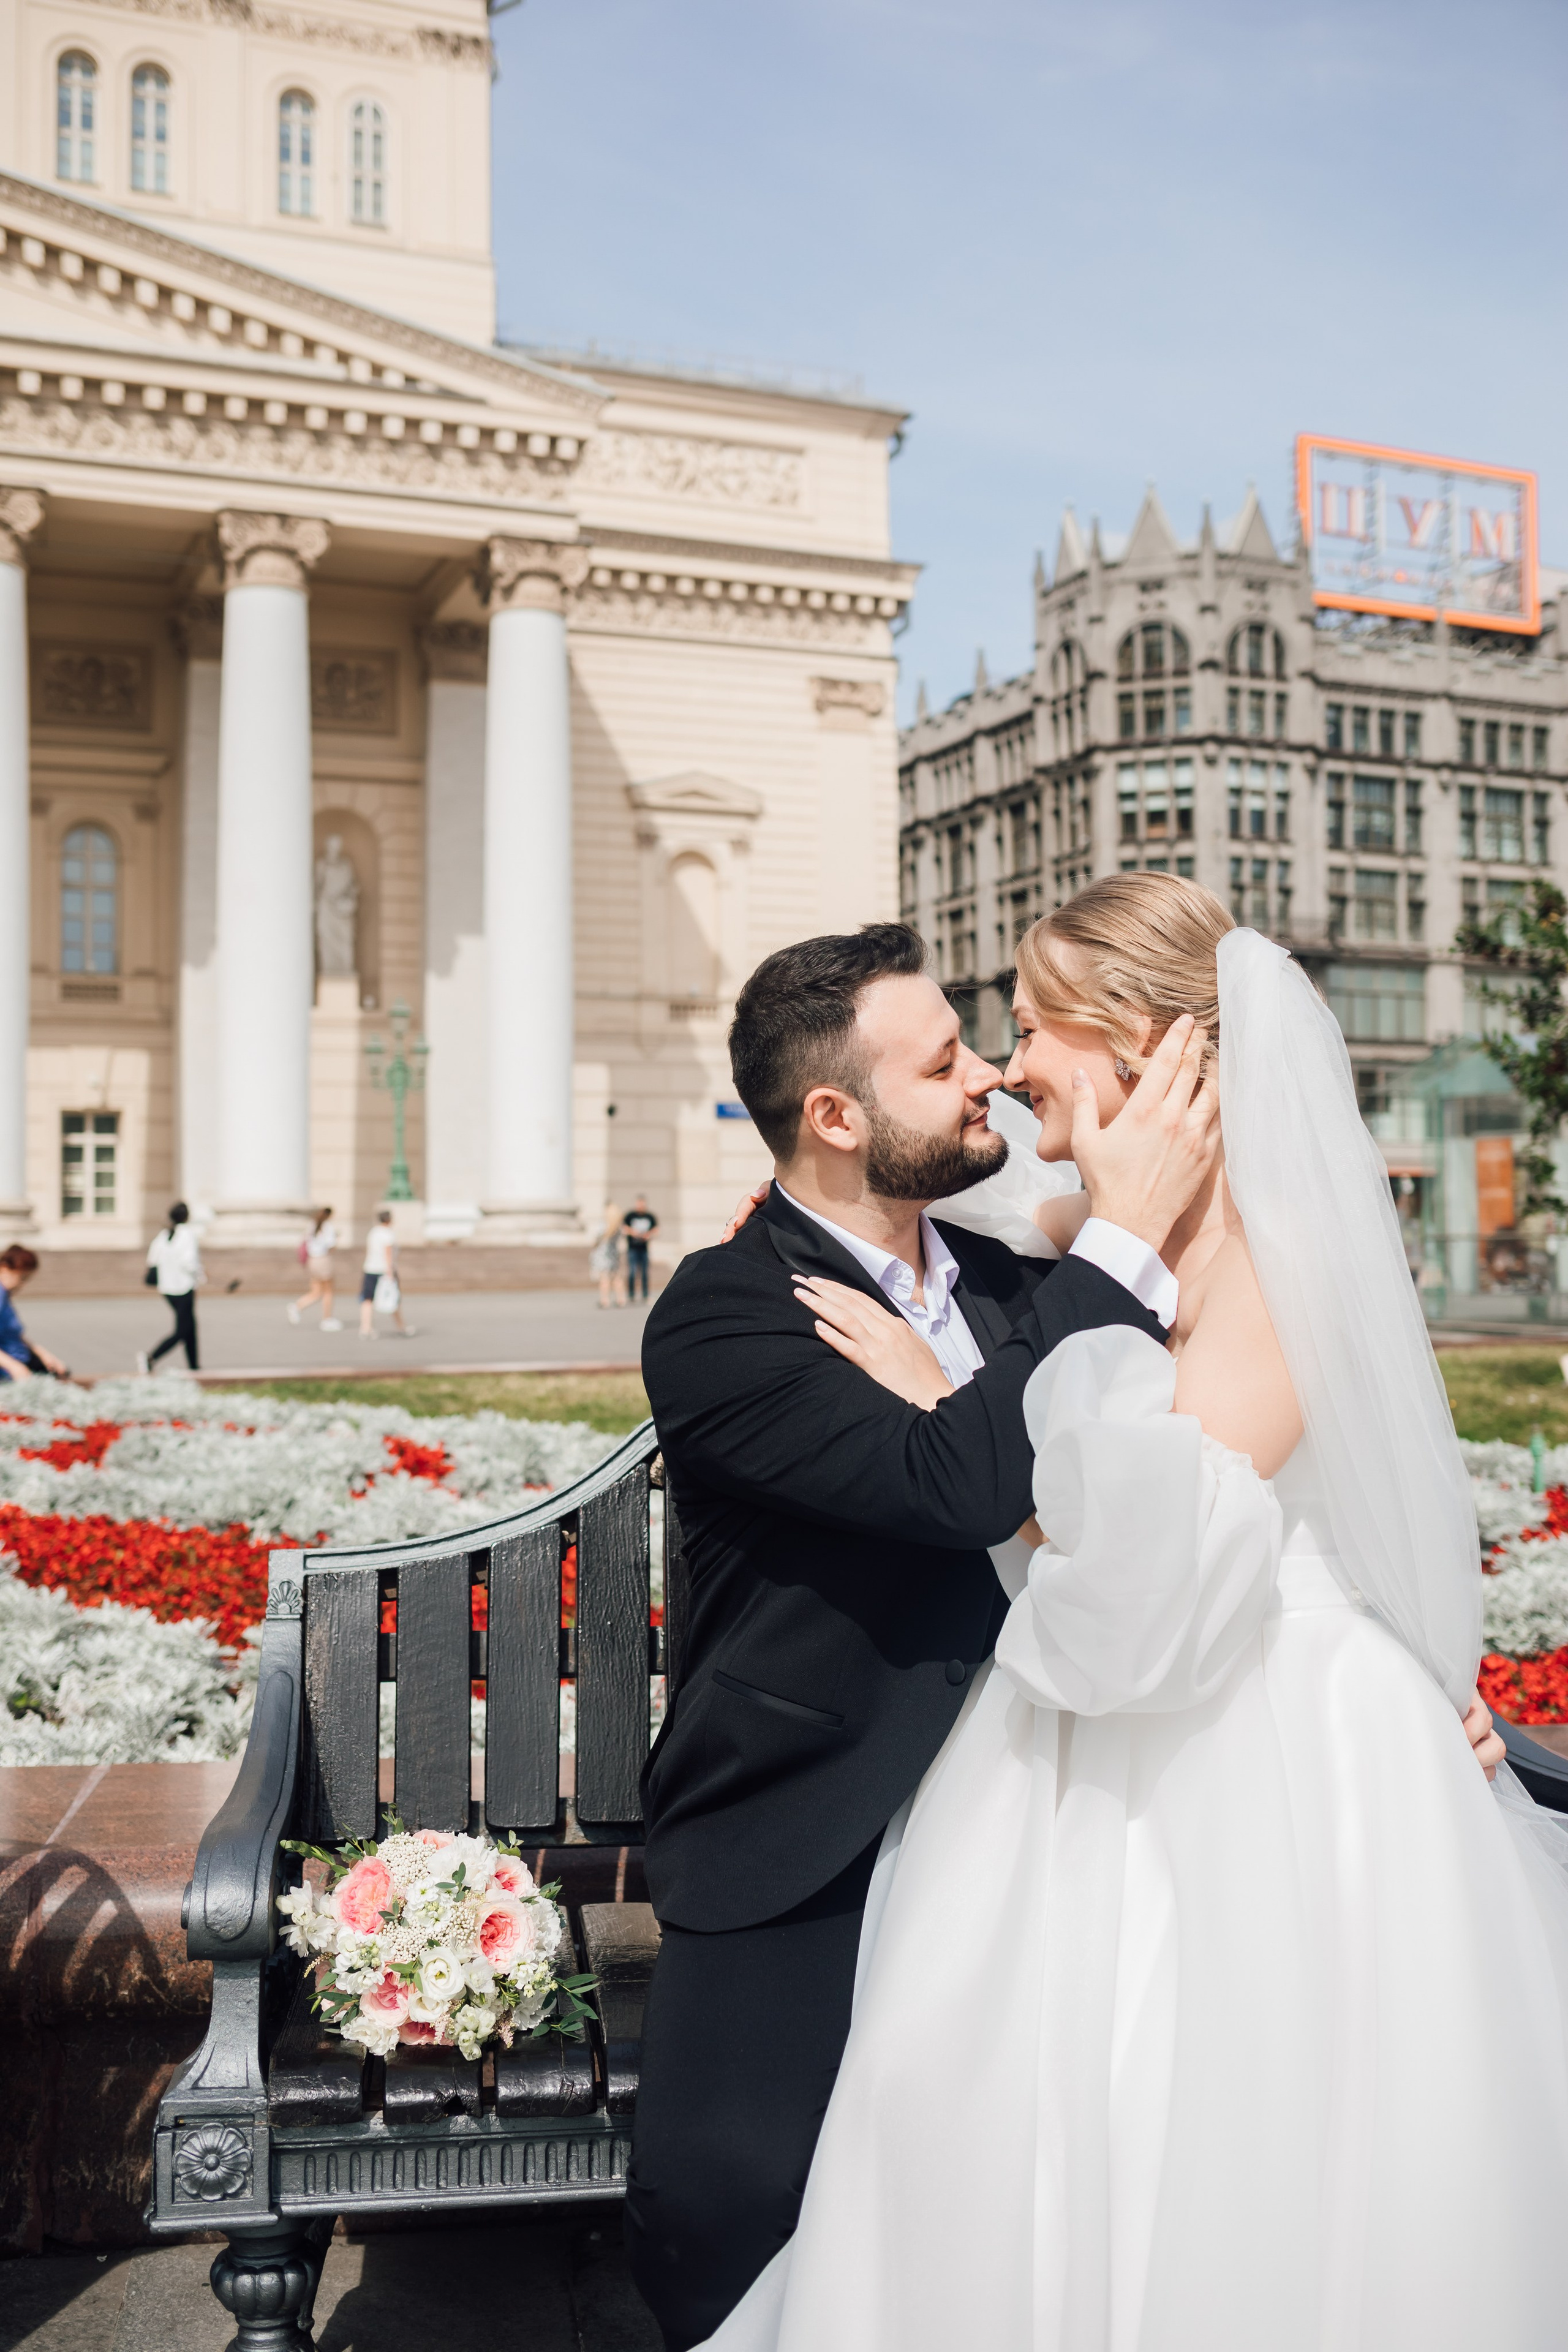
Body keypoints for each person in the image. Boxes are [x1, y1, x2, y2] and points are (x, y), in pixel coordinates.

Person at [685, 878, 1568, 2352]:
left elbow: (1145, 1566)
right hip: (1076, 1714)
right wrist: (804, 1195)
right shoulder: (1069, 1215)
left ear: (1153, 1050)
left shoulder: (1283, 1268)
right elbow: (902, 1182)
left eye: (1029, 1027)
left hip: (1250, 1726)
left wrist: (931, 1396)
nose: (1009, 1063)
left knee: (1233, 2133)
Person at [629, 921, 1222, 2350]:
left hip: (1047, 1814)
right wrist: (1127, 1238)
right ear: (834, 1116)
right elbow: (955, 1485)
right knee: (723, 2207)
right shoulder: (723, 1317)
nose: (986, 1079)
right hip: (811, 1829)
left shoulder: (1021, 1281)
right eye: (942, 1057)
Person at [139, 1203, 202, 1373]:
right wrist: (201, 1276)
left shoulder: (164, 1235)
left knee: (190, 1327)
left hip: (167, 1289)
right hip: (184, 1288)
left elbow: (152, 1260)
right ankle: (151, 1357)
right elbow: (190, 1263)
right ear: (187, 1217)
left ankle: (195, 1367)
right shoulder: (188, 1235)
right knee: (184, 1329)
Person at [0, 1246, 70, 1381]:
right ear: (4, 1268)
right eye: (22, 1278)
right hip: (12, 1367)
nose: (23, 1285)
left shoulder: (5, 1296)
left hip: (21, 1359)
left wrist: (42, 1352)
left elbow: (12, 1333)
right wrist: (13, 1366)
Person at [358, 1208, 410, 1339]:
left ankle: (366, 1327)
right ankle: (401, 1326)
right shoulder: (388, 1234)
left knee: (367, 1299)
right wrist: (390, 1271)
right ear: (389, 1220)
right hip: (384, 1270)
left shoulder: (373, 1232)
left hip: (370, 1268)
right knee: (393, 1298)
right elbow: (388, 1253)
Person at [288, 1207, 342, 1330]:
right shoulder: (328, 1227)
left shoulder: (312, 1225)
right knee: (328, 1292)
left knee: (317, 1292)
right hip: (323, 1260)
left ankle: (297, 1306)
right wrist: (338, 1239)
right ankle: (327, 1319)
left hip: (312, 1261)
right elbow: (331, 1246)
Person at [621, 1195, 658, 1301]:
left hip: (644, 1249)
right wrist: (634, 1233)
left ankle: (645, 1294)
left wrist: (648, 1234)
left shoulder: (649, 1216)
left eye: (642, 1204)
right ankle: (631, 1294)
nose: (641, 1207)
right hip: (632, 1248)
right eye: (639, 1204)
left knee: (645, 1272)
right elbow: (624, 1228)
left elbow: (656, 1229)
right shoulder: (630, 1216)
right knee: (632, 1272)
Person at [593, 1201, 626, 1309]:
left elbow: (597, 1239)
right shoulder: (618, 1226)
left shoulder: (604, 1225)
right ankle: (621, 1299)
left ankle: (605, 1300)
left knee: (605, 1278)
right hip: (614, 1253)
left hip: (603, 1254)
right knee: (617, 1277)